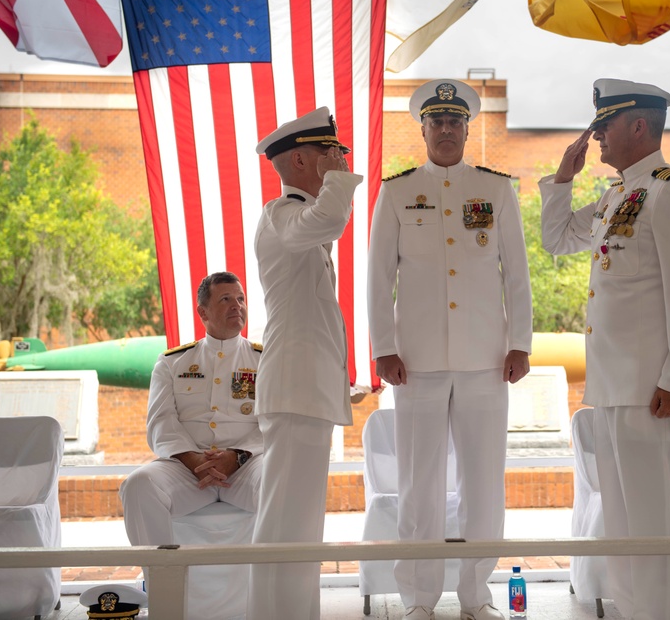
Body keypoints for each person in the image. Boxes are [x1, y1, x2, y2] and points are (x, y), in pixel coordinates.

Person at [538, 79, 670, 620]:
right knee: (621, 523)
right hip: (614, 387)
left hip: (651, 389)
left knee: (656, 517)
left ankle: (667, 614)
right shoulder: (618, 195)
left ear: (638, 126)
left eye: (604, 126)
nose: (596, 139)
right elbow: (557, 238)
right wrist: (562, 181)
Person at [368, 79, 533, 620]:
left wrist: (520, 342)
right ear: (422, 129)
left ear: (467, 128)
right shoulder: (396, 191)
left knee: (485, 481)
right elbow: (378, 279)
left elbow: (517, 276)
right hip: (416, 363)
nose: (445, 130)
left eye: (454, 122)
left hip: (487, 359)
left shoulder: (497, 189)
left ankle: (476, 595)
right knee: (419, 484)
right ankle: (419, 596)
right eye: (436, 122)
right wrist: (384, 347)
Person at [247, 106, 363, 620]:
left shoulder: (300, 219)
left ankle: (292, 612)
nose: (338, 158)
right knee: (285, 519)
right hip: (294, 390)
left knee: (298, 518)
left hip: (305, 389)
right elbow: (331, 220)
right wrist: (341, 180)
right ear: (300, 160)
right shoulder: (283, 213)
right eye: (328, 152)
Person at [119, 271, 263, 548]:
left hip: (247, 466)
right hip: (187, 469)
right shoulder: (173, 362)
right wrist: (194, 461)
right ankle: (161, 581)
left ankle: (269, 585)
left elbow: (274, 421)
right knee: (138, 485)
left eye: (241, 299)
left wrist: (238, 456)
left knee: (279, 482)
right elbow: (161, 421)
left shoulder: (264, 360)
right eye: (225, 299)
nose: (237, 305)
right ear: (203, 312)